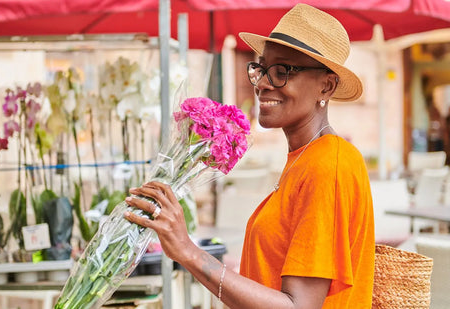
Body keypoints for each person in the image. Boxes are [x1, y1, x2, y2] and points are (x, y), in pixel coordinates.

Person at [124, 4, 375, 308]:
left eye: (284, 71)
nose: (264, 84)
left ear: (327, 85)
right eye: (262, 69)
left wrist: (188, 251)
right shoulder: (305, 158)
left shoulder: (328, 164)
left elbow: (298, 305)